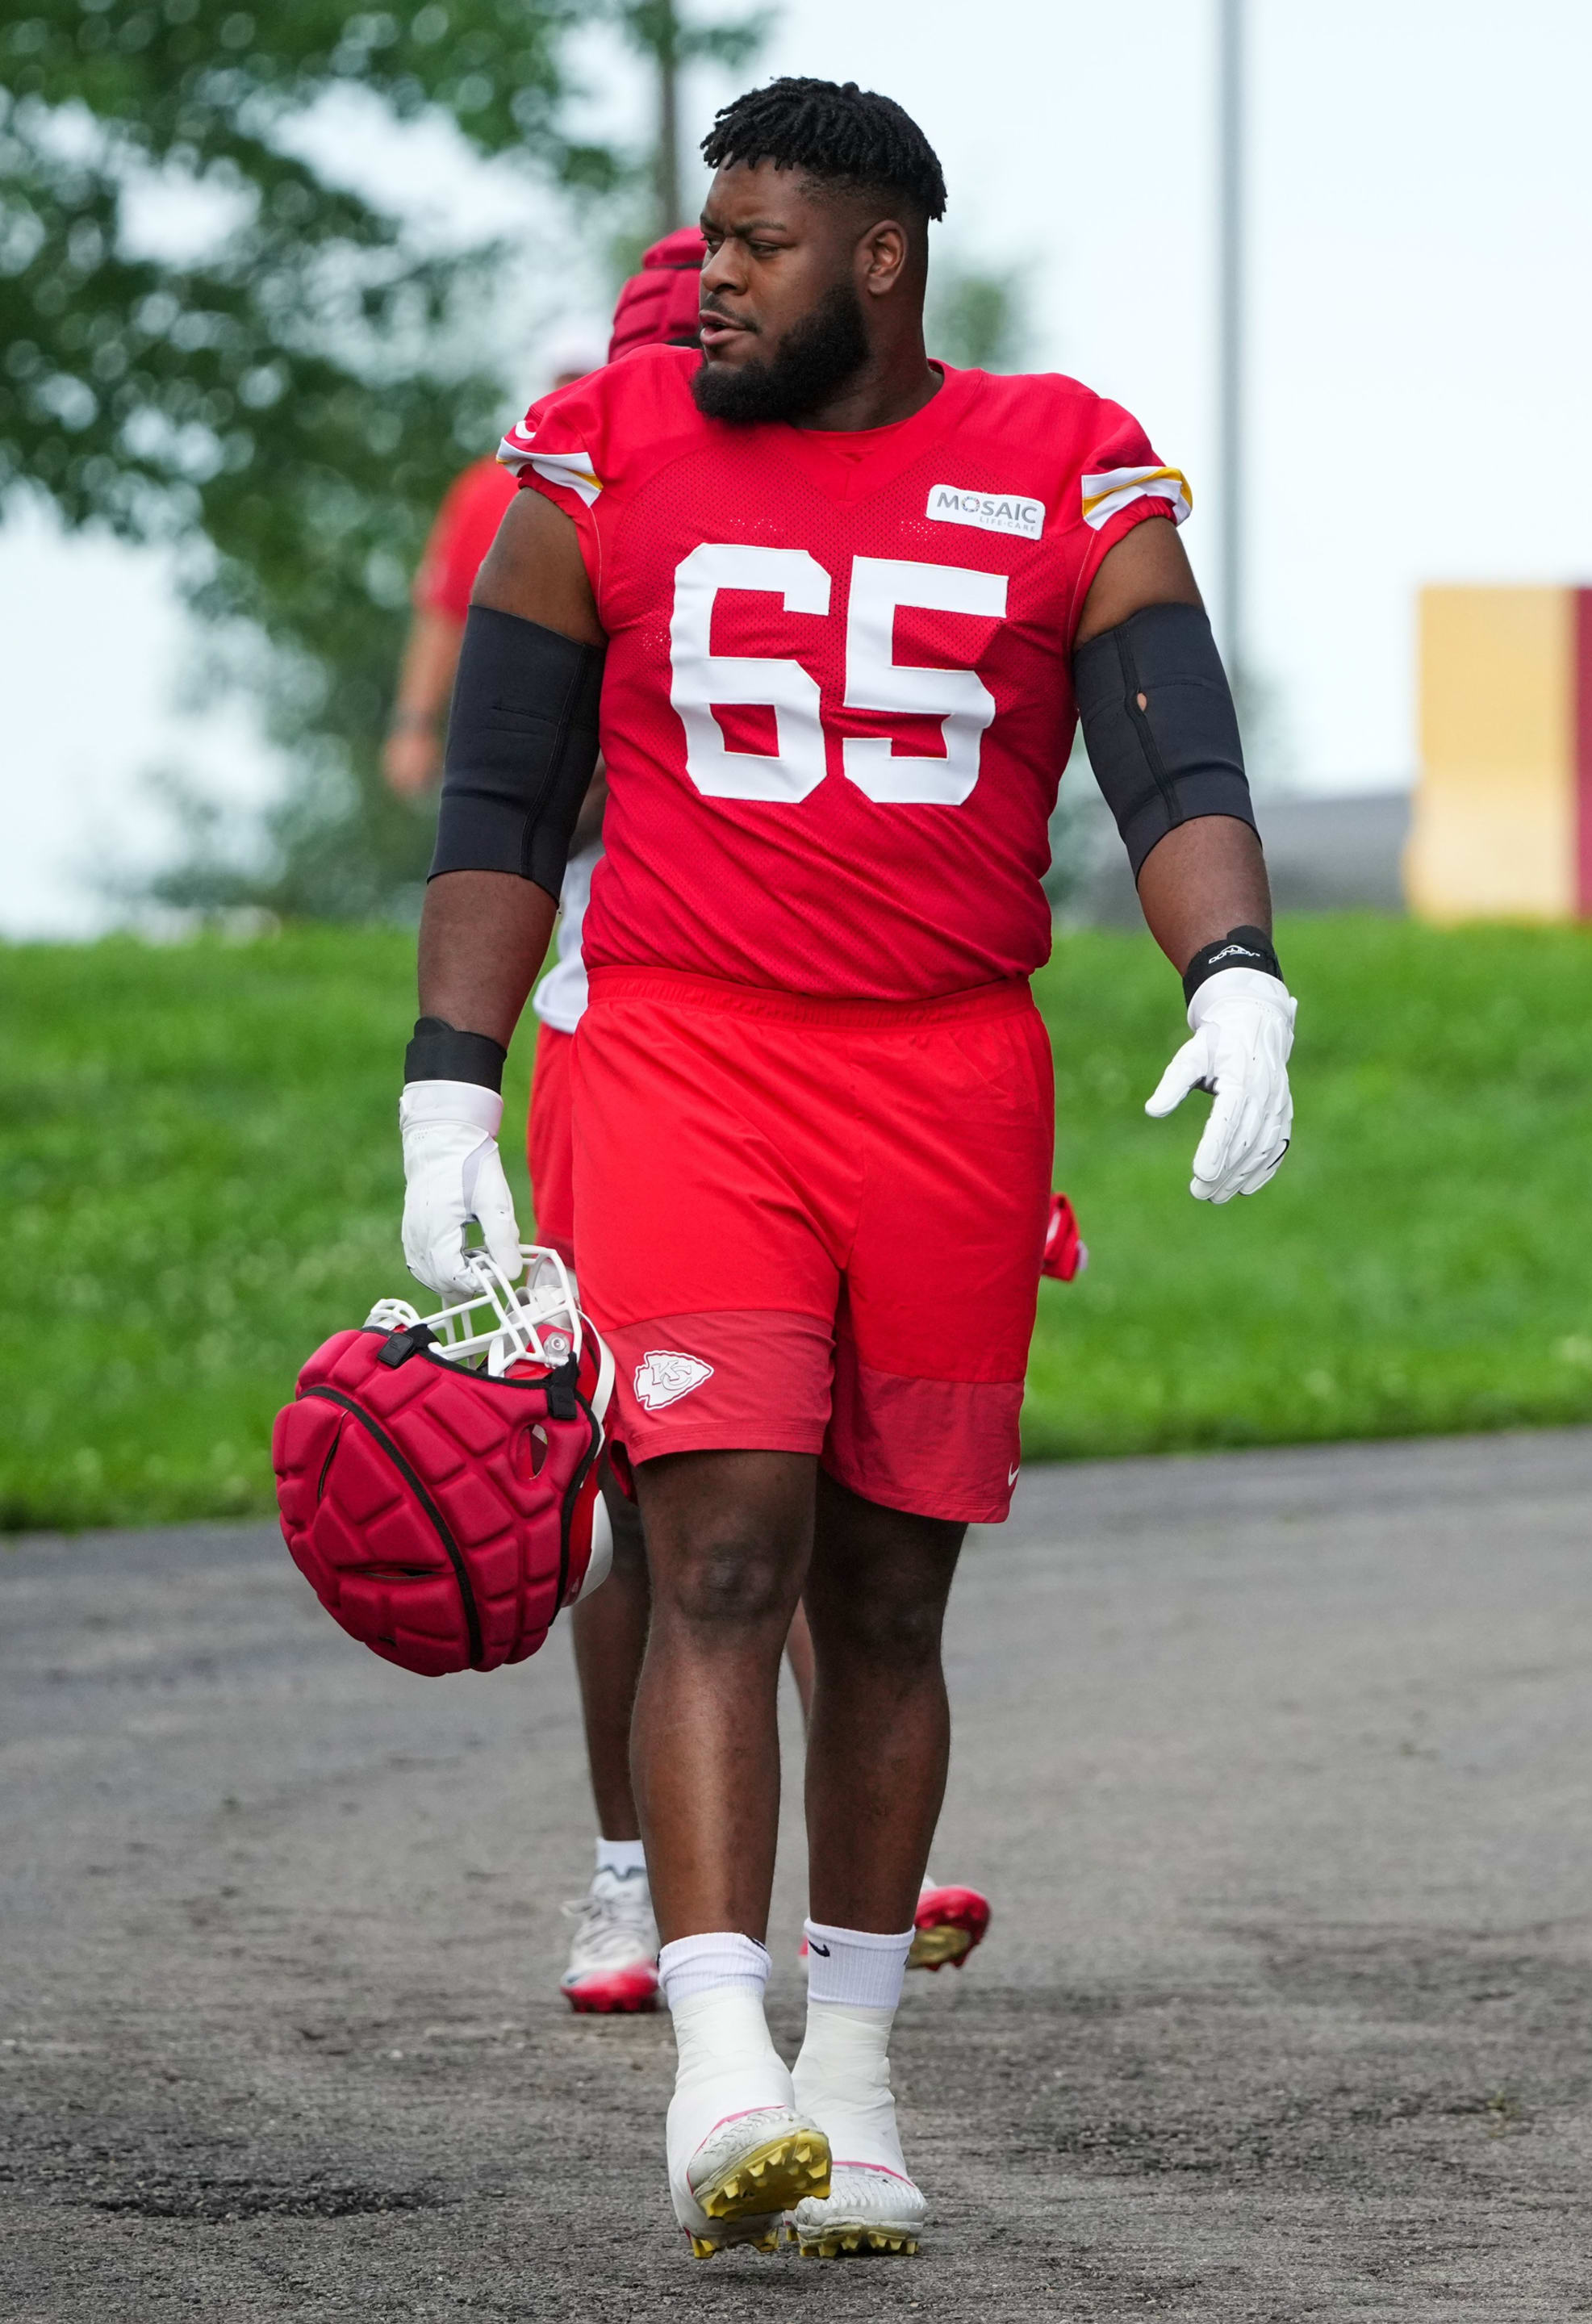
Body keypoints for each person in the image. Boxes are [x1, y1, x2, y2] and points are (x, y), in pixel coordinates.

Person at [398, 78, 1293, 2259]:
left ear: (879, 258)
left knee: (890, 1596)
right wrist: (447, 1083)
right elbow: (504, 802)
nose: (714, 278)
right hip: (689, 1054)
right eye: (707, 244)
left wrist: (1238, 971)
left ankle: (858, 2081)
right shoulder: (594, 450)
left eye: (760, 245)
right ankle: (723, 2070)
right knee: (719, 1553)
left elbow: (1172, 749)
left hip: (950, 1078)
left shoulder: (1064, 452)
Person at [387, 336, 602, 797]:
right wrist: (413, 724)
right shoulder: (488, 489)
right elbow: (444, 614)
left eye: (586, 379)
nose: (575, 393)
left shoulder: (643, 478)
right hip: (512, 727)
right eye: (564, 380)